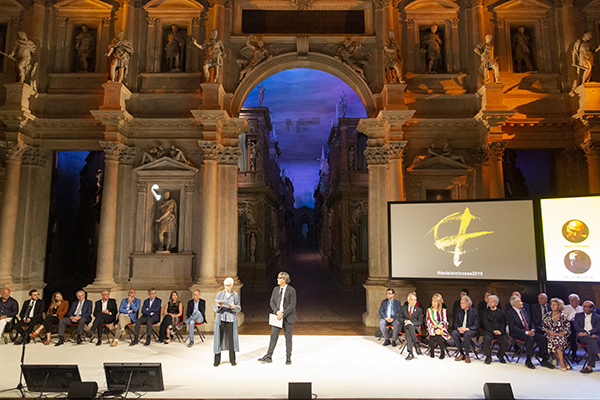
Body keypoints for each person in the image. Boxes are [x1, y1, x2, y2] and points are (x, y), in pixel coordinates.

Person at [258, 272, 297, 365]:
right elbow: (271, 302)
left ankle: (288, 357)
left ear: (284, 279)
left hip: (288, 317)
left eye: (279, 278)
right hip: (277, 317)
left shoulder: (291, 290)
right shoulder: (275, 289)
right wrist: (277, 312)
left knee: (288, 338)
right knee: (273, 337)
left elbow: (292, 305)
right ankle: (269, 356)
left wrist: (283, 313)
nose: (277, 279)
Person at [506, 294, 554, 369]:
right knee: (529, 339)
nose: (522, 303)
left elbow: (530, 322)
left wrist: (532, 329)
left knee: (542, 338)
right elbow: (513, 328)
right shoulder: (509, 313)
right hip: (518, 333)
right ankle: (528, 360)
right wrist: (527, 333)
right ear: (514, 304)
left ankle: (544, 359)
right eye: (520, 301)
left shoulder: (523, 310)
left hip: (528, 331)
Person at [214, 277, 241, 366]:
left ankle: (232, 360)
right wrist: (218, 306)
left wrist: (234, 307)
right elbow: (215, 308)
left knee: (231, 339)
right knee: (219, 339)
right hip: (221, 318)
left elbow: (239, 308)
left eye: (228, 285)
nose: (227, 287)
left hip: (230, 319)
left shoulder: (235, 295)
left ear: (232, 285)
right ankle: (217, 361)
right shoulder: (220, 294)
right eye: (225, 285)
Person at [542, 298, 571, 371]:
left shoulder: (564, 317)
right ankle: (563, 363)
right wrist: (549, 332)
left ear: (559, 306)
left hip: (561, 335)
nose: (552, 306)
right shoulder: (547, 315)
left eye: (554, 305)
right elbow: (544, 327)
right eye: (552, 304)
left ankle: (561, 362)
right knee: (552, 340)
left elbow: (567, 331)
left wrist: (557, 334)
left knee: (557, 340)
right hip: (550, 335)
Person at [574, 300, 600, 373]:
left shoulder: (598, 317)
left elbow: (597, 328)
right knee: (590, 339)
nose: (584, 308)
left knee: (590, 342)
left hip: (594, 336)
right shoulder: (578, 315)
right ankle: (598, 354)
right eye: (583, 306)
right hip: (581, 336)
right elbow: (576, 327)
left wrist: (588, 333)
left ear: (591, 308)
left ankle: (589, 367)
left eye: (586, 306)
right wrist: (585, 333)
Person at [451, 295, 479, 363]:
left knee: (467, 334)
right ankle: (461, 353)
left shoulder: (475, 312)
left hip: (470, 330)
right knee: (454, 333)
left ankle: (467, 355)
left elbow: (476, 325)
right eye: (460, 303)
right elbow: (456, 323)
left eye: (462, 303)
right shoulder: (459, 311)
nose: (460, 304)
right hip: (461, 329)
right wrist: (459, 328)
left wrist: (466, 329)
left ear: (468, 304)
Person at [482, 295, 509, 364]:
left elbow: (503, 323)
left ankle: (500, 355)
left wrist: (500, 331)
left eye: (491, 301)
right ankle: (488, 356)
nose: (489, 303)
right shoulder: (485, 312)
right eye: (488, 302)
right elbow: (486, 323)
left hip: (499, 331)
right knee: (486, 339)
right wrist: (493, 331)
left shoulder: (502, 313)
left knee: (505, 342)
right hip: (489, 331)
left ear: (496, 303)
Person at [400, 292, 423, 360]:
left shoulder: (419, 310)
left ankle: (410, 353)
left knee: (408, 331)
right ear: (408, 300)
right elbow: (399, 318)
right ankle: (416, 346)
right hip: (404, 327)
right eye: (411, 299)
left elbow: (420, 321)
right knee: (408, 328)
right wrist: (405, 321)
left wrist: (411, 322)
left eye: (414, 300)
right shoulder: (402, 308)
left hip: (414, 328)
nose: (413, 301)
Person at [426, 293, 449, 359]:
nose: (433, 303)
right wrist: (432, 325)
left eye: (435, 301)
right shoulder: (429, 310)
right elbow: (427, 321)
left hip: (440, 327)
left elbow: (445, 321)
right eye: (433, 301)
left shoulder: (443, 311)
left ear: (438, 303)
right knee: (432, 332)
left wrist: (440, 325)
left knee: (438, 333)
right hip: (432, 326)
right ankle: (432, 350)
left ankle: (442, 351)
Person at [564, 293, 583, 359]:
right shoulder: (565, 308)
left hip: (578, 329)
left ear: (578, 301)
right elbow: (563, 318)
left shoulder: (582, 309)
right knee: (572, 328)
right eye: (570, 300)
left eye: (573, 300)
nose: (571, 301)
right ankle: (573, 354)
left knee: (574, 333)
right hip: (566, 329)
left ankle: (574, 353)